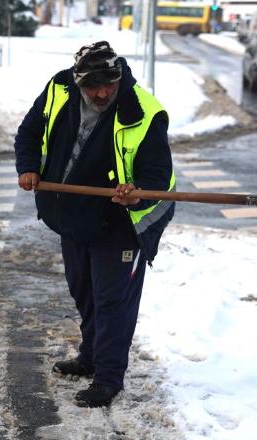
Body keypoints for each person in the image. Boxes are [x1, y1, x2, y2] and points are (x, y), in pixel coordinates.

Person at [14, 41, 175, 408]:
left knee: (112, 302)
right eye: (93, 87)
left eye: (110, 85)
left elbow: (158, 175)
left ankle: (108, 377)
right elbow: (29, 132)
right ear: (78, 81)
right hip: (73, 215)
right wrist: (27, 166)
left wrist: (139, 193)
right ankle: (90, 356)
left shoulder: (144, 113)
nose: (103, 93)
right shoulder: (59, 89)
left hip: (121, 222)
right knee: (83, 291)